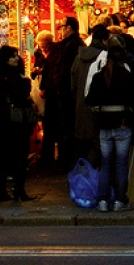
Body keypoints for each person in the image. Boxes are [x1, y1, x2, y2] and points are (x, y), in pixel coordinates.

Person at [85, 35, 134, 212]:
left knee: (106, 163)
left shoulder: (100, 76)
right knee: (121, 164)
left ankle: (103, 200)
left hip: (104, 123)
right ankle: (120, 200)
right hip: (122, 122)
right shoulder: (127, 75)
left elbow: (89, 99)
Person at [0, 46, 37, 202]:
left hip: (6, 123)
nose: (16, 58)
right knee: (16, 157)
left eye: (17, 56)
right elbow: (20, 96)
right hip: (13, 123)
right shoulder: (13, 79)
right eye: (12, 56)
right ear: (5, 59)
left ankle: (5, 190)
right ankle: (17, 189)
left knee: (6, 157)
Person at [40, 16, 86, 169]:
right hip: (60, 94)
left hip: (65, 96)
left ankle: (66, 159)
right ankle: (60, 158)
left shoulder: (74, 47)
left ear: (69, 28)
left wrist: (57, 88)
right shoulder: (65, 46)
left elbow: (65, 73)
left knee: (66, 128)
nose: (59, 29)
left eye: (61, 26)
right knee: (60, 128)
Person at [71, 24, 110, 166]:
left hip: (81, 105)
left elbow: (73, 83)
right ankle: (94, 177)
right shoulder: (105, 57)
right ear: (105, 40)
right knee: (97, 144)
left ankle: (81, 176)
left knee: (82, 145)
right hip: (97, 108)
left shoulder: (78, 58)